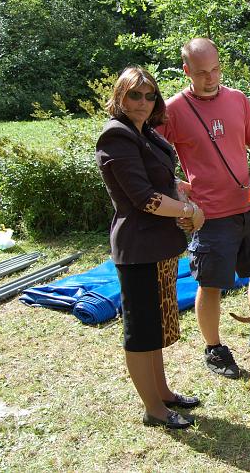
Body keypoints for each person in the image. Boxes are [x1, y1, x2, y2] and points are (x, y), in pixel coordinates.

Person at [158, 38, 250, 380]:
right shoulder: (172, 110)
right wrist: (175, 188)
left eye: (215, 69)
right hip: (209, 215)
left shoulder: (237, 99)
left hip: (247, 206)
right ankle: (214, 349)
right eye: (201, 73)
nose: (210, 78)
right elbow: (153, 157)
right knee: (211, 283)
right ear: (186, 71)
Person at [96, 66, 204, 429]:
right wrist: (191, 211)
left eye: (149, 95)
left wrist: (176, 186)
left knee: (156, 326)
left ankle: (164, 393)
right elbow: (143, 198)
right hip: (138, 245)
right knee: (141, 332)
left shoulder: (144, 134)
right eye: (134, 95)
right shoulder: (116, 136)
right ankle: (153, 409)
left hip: (160, 244)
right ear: (119, 97)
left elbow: (150, 174)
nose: (143, 103)